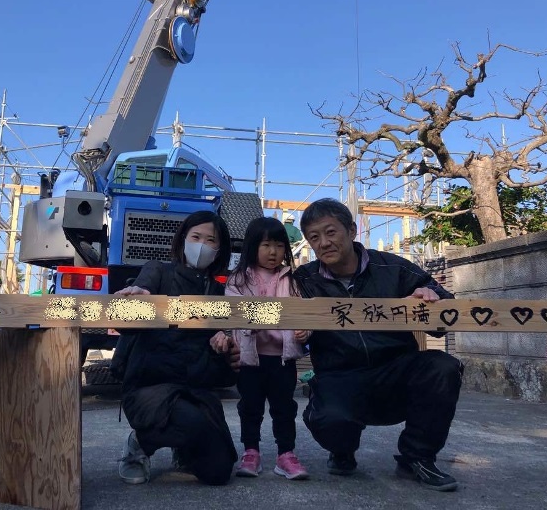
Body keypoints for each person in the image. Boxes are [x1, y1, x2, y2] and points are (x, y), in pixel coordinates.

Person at [292, 198, 463, 492]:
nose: (324, 243)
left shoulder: (394, 268)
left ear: (351, 230)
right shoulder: (303, 280)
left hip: (396, 370)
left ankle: (417, 457)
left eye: (330, 232)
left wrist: (430, 297)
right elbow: (272, 315)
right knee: (331, 419)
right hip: (339, 375)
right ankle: (341, 449)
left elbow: (447, 313)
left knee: (443, 367)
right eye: (314, 238)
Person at [114, 210, 241, 486]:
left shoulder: (219, 295)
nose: (202, 246)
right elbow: (139, 295)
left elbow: (226, 372)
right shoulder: (157, 271)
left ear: (219, 251)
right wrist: (140, 296)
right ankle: (139, 445)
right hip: (150, 390)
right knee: (193, 423)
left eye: (211, 241)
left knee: (218, 472)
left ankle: (184, 445)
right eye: (196, 237)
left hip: (195, 392)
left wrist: (225, 348)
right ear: (183, 239)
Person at [220, 216, 310, 480]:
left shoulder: (292, 280)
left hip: (283, 359)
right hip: (251, 359)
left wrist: (305, 331)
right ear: (252, 246)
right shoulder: (237, 281)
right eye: (266, 245)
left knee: (284, 407)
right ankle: (251, 452)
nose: (274, 252)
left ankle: (286, 454)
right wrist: (256, 319)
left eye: (280, 246)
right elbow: (237, 314)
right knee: (250, 407)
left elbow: (303, 313)